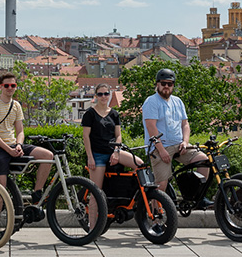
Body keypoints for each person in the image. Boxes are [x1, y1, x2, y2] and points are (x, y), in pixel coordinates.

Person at [0, 73, 53, 205]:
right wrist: (9, 150)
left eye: (13, 85)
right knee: (1, 185)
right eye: (7, 85)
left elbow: (20, 131)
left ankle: (37, 193)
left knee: (47, 155)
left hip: (13, 145)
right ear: (1, 87)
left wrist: (18, 145)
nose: (10, 88)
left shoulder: (16, 105)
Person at [142, 68, 209, 201]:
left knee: (204, 161)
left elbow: (185, 124)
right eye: (163, 83)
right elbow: (151, 127)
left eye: (170, 84)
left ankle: (197, 197)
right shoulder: (151, 101)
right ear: (157, 84)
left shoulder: (178, 101)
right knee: (161, 184)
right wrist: (161, 150)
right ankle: (155, 215)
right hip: (160, 147)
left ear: (173, 85)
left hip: (179, 145)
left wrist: (185, 142)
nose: (166, 86)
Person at [82, 83, 143, 187]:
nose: (103, 97)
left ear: (109, 95)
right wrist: (90, 157)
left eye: (106, 94)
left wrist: (116, 152)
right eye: (100, 94)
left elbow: (118, 135)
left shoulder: (114, 114)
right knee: (96, 193)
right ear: (96, 96)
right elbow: (86, 136)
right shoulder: (90, 114)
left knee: (140, 165)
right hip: (98, 155)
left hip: (113, 152)